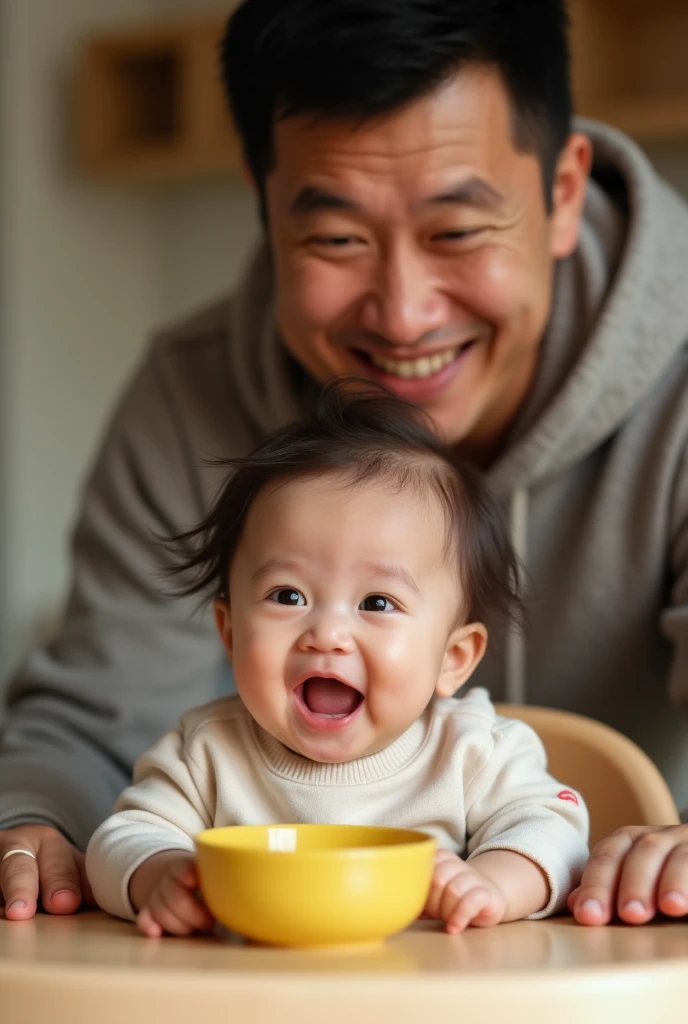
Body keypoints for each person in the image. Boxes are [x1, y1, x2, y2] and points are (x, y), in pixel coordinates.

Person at [0, 0, 687, 929]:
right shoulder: (188, 391)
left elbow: (545, 821)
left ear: (564, 191)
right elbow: (93, 726)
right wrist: (35, 824)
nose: (403, 315)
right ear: (263, 198)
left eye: (456, 231)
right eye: (336, 238)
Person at [85, 381, 589, 937]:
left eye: (377, 602)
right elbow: (119, 839)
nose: (327, 634)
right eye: (287, 595)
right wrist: (159, 874)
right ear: (229, 633)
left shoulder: (472, 751)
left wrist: (491, 882)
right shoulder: (205, 752)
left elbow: (555, 831)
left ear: (453, 658)